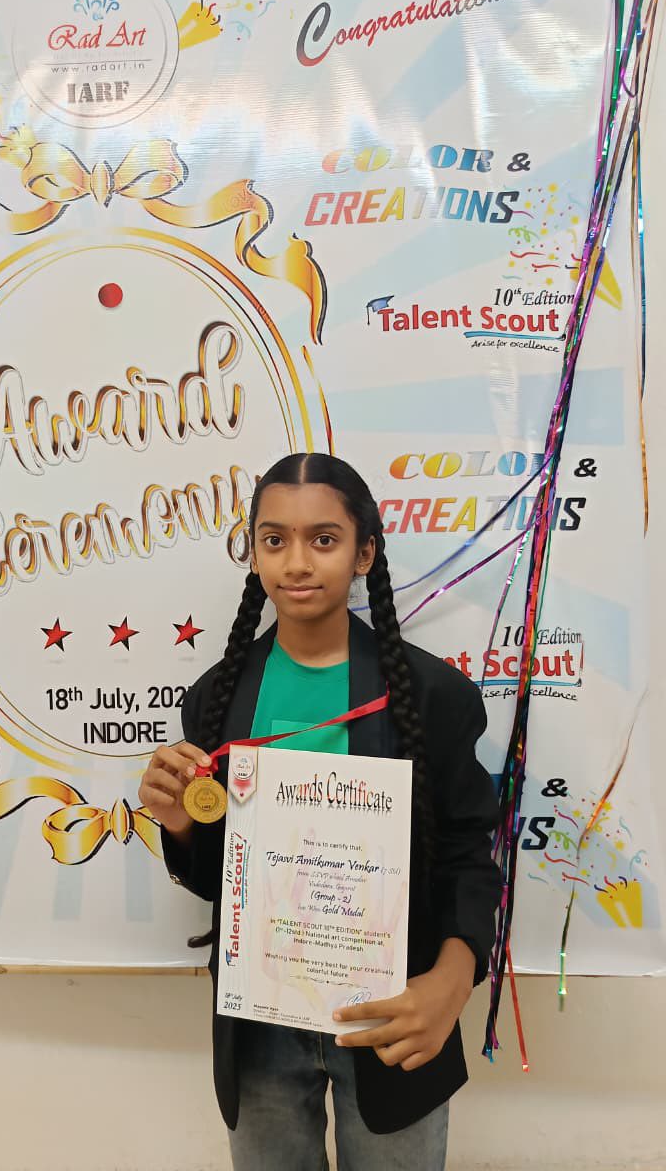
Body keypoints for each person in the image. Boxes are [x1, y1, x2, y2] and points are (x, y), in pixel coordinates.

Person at [139, 452, 500, 1171]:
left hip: (393, 1015)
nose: (297, 562)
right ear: (253, 553)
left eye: (324, 539)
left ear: (365, 553)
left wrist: (451, 982)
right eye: (274, 540)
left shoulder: (433, 695)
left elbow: (468, 857)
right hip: (259, 1026)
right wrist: (180, 823)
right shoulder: (216, 699)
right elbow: (218, 880)